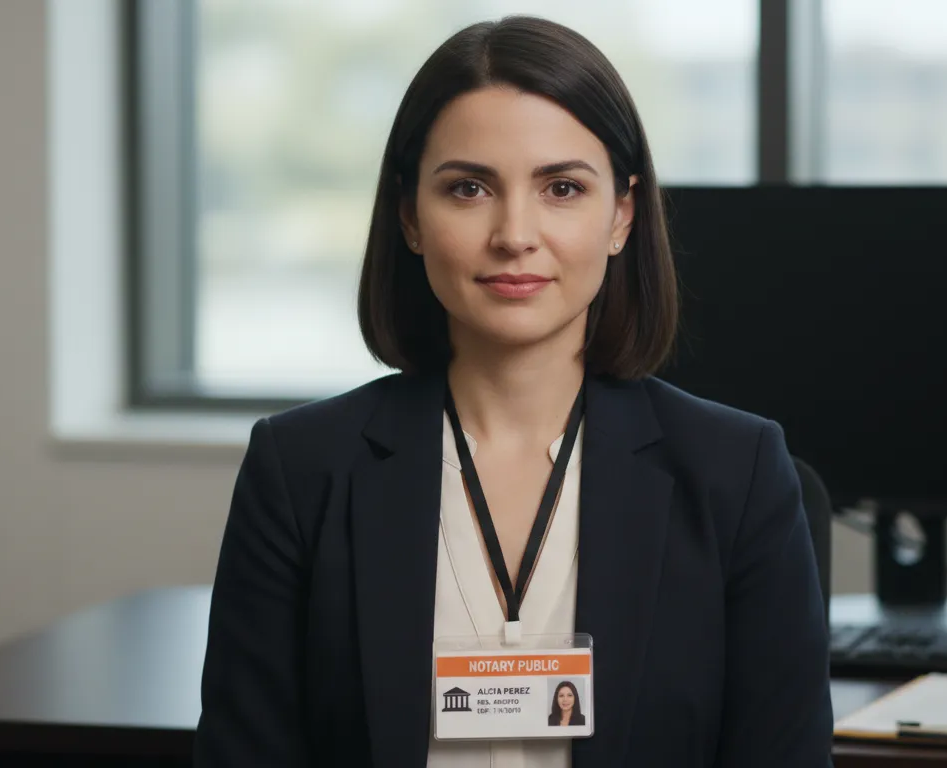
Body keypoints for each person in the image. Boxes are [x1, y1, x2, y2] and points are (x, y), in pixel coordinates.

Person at [193, 14, 832, 768]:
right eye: (469, 188)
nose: (515, 233)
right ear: (409, 217)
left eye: (562, 187)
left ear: (621, 215)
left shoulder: (738, 474)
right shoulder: (300, 471)